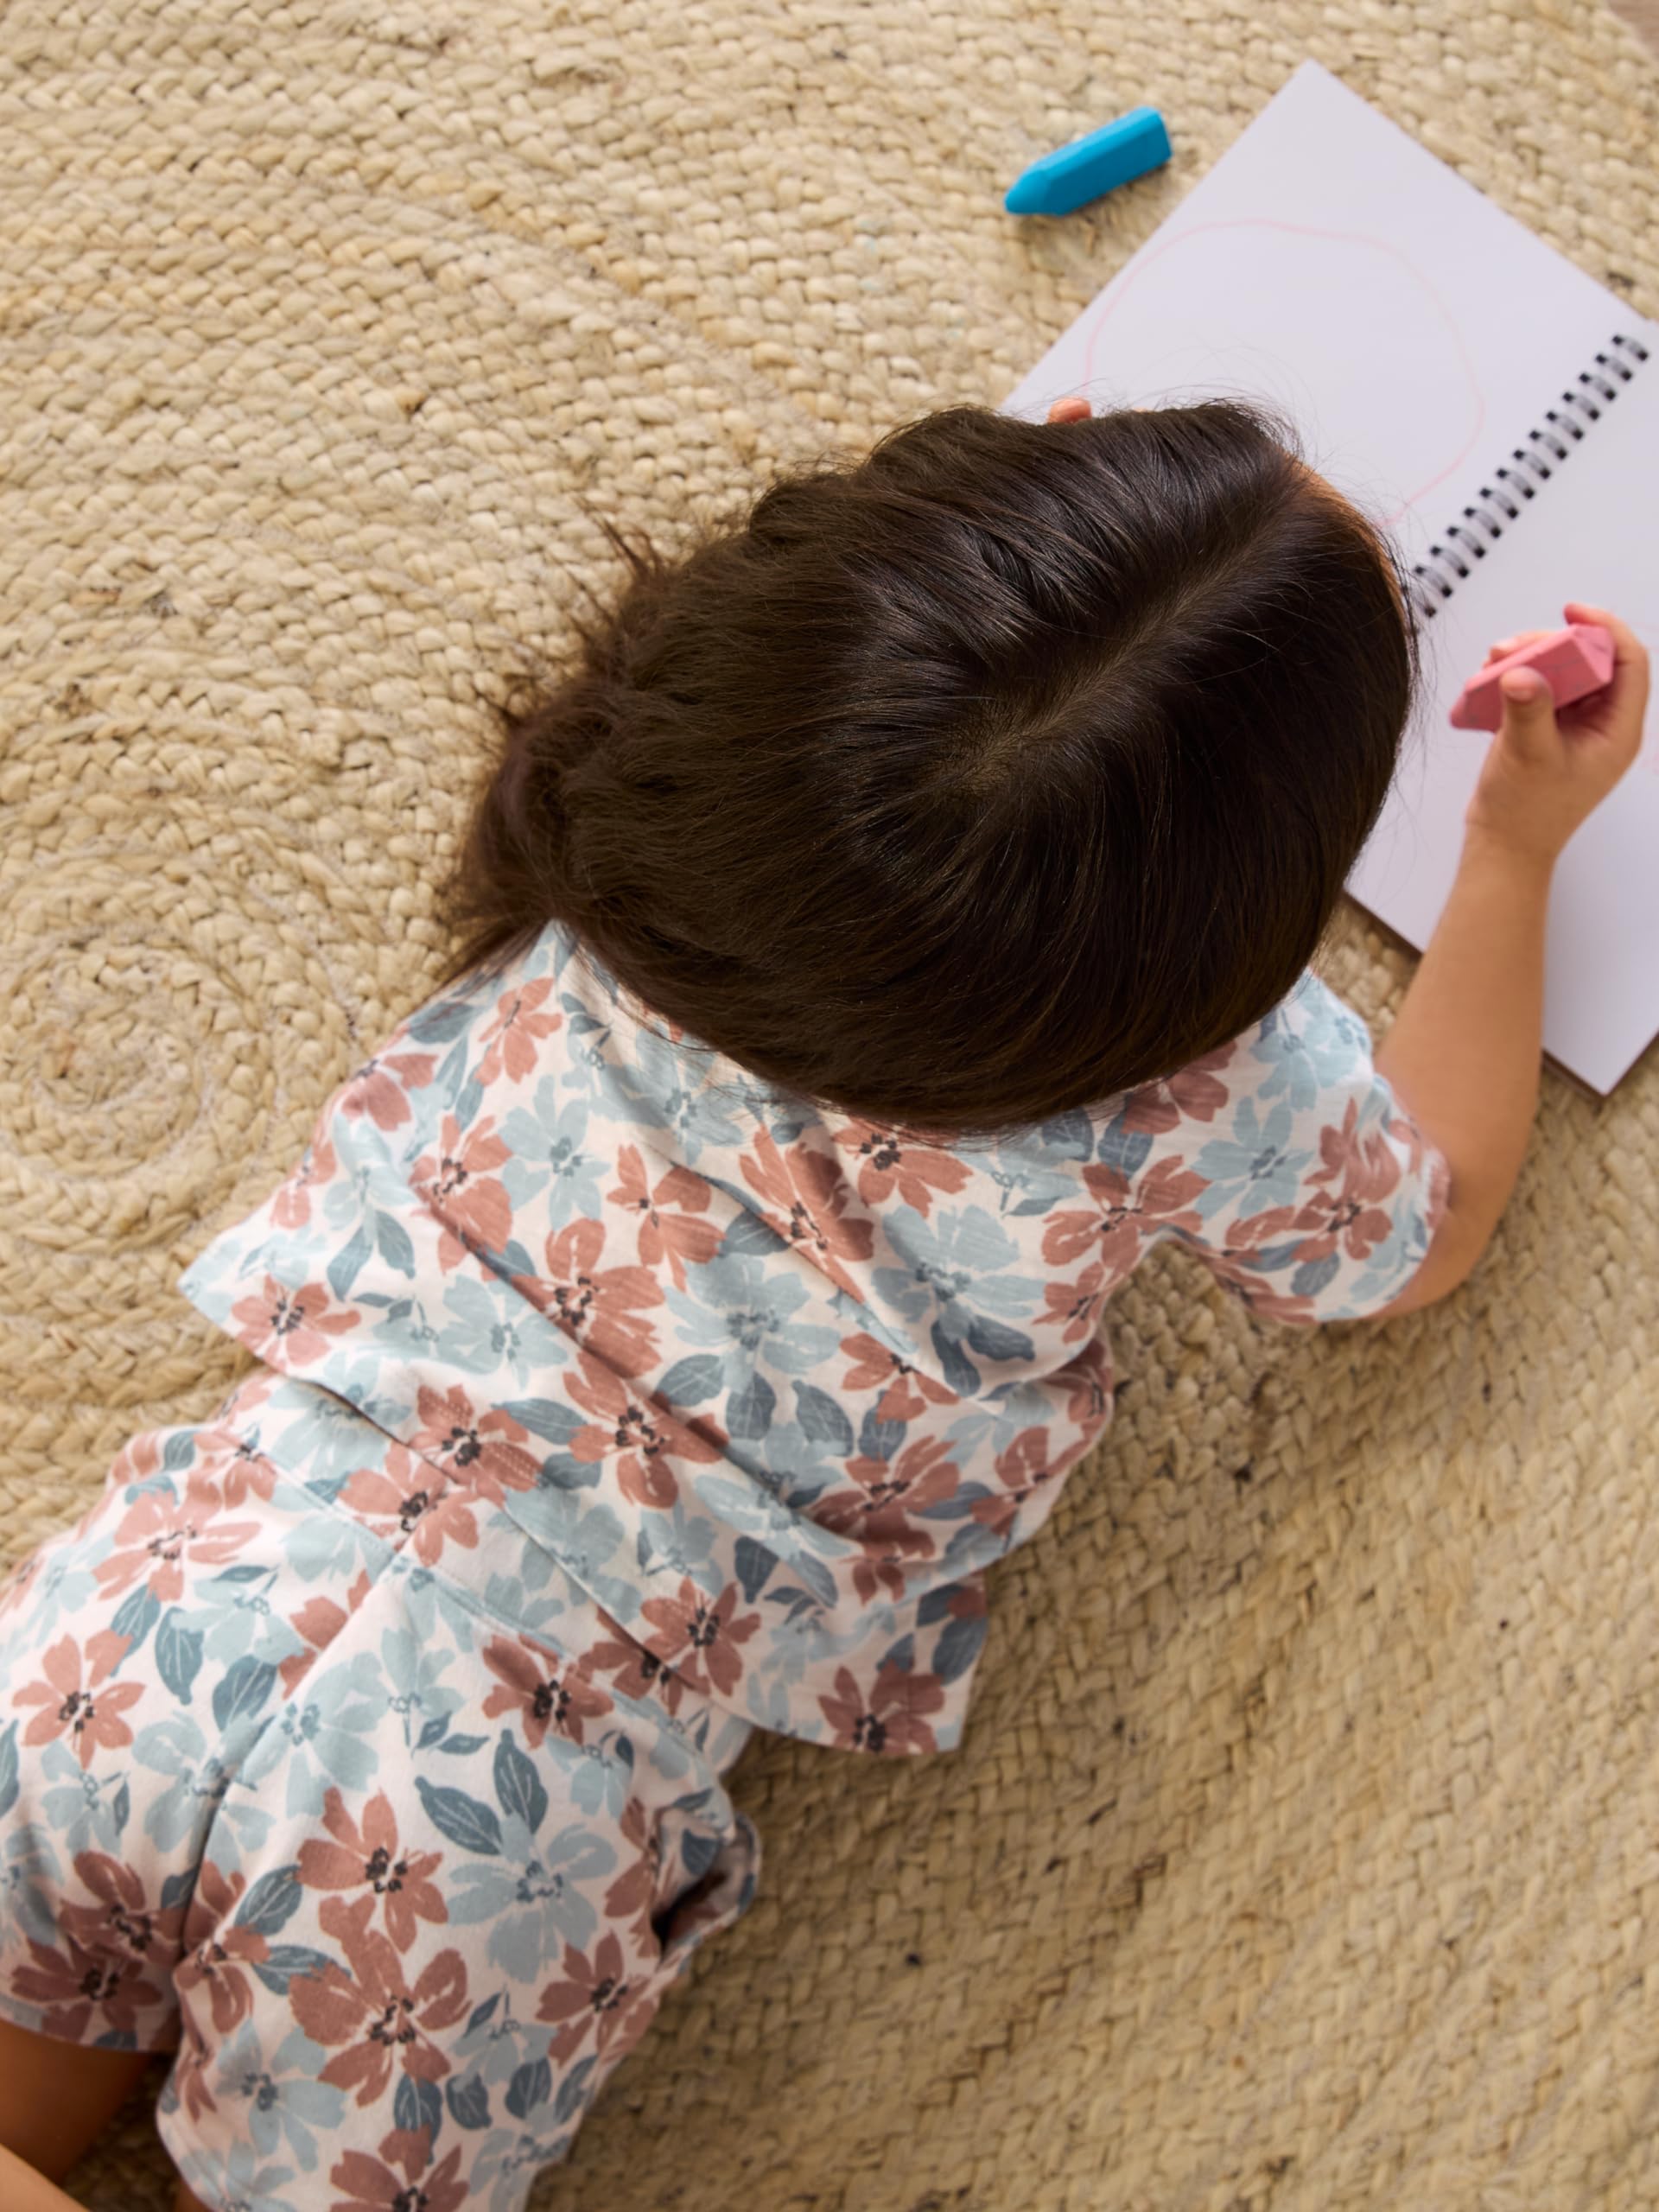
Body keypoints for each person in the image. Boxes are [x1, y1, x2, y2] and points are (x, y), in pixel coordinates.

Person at [0, 393, 1647, 2212]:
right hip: (476, 1824)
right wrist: (1514, 851)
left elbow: (905, 693)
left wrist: (1012, 539)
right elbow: (1427, 1223)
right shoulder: (1200, 1082)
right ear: (1228, 937)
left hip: (162, 1622)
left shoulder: (683, 790)